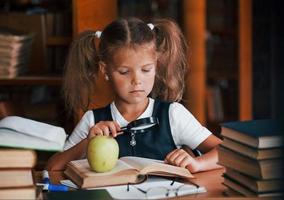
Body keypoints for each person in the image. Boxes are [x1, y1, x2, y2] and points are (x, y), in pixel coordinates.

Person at [46, 17, 222, 173]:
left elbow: (227, 153)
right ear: (105, 70)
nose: (137, 80)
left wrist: (198, 163)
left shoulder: (173, 115)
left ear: (156, 66)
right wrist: (88, 142)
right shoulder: (93, 121)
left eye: (146, 70)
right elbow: (52, 168)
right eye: (124, 72)